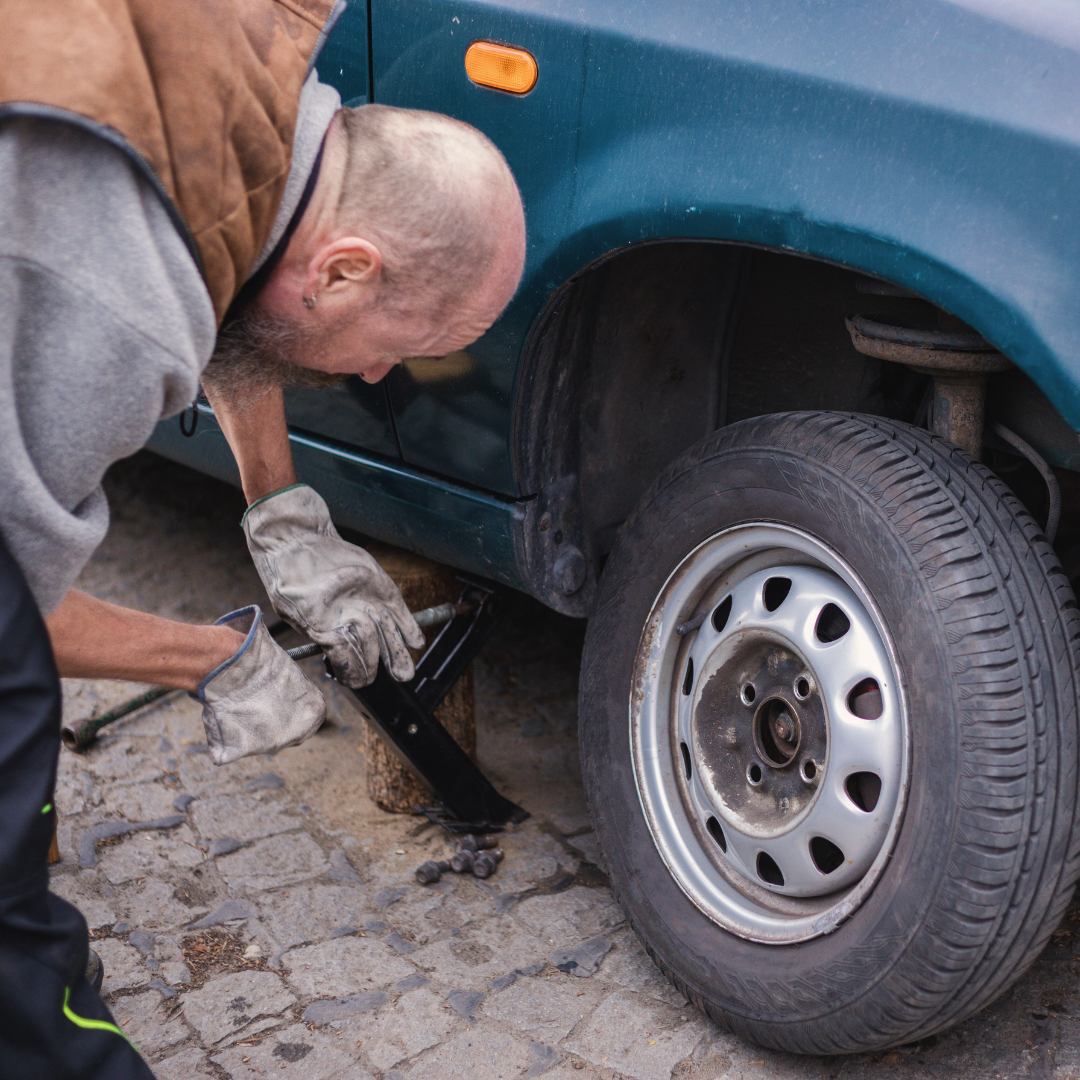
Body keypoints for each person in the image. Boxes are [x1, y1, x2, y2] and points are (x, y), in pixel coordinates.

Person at [0, 1, 526, 1076]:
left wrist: (280, 514)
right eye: (401, 343)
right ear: (343, 271)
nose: (381, 376)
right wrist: (212, 657)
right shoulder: (124, 311)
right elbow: (9, 605)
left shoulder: (267, 61)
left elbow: (241, 261)